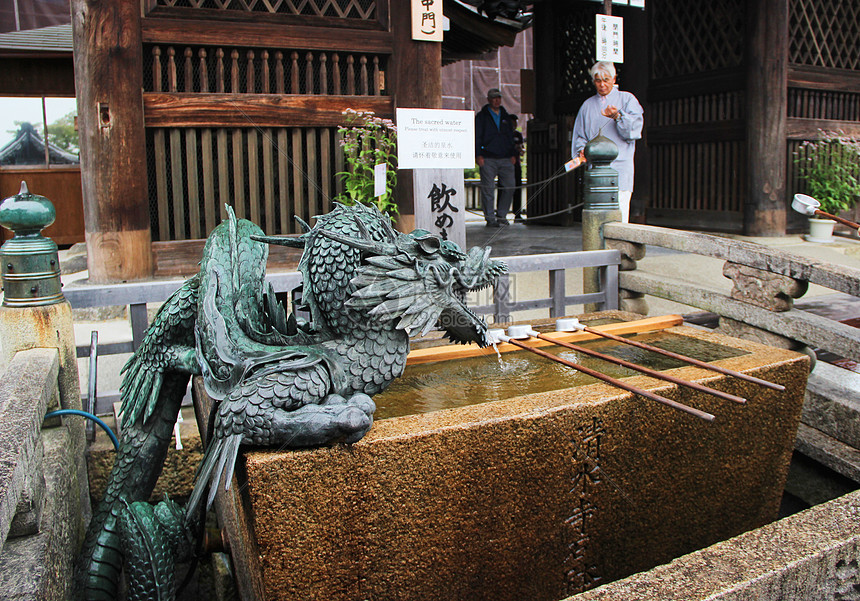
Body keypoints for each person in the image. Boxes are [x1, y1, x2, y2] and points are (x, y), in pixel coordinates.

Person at [571, 61, 644, 223]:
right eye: (598, 80)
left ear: (614, 78)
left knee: (620, 211)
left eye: (606, 79)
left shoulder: (627, 99)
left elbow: (634, 131)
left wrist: (618, 116)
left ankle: (619, 247)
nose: (602, 84)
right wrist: (582, 149)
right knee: (597, 214)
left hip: (620, 166)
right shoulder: (587, 106)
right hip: (596, 170)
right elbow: (579, 136)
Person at [475, 88, 517, 227]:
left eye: (499, 97)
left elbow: (510, 136)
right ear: (488, 99)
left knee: (510, 186)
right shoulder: (481, 117)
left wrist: (513, 154)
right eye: (494, 98)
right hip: (487, 157)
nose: (497, 100)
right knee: (488, 189)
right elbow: (477, 137)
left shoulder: (505, 116)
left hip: (505, 157)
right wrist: (478, 155)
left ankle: (502, 215)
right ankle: (490, 218)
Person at [509, 114, 525, 222]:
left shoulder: (518, 135)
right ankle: (501, 213)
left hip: (517, 163)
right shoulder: (504, 135)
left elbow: (522, 149)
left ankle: (517, 213)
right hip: (506, 164)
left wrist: (520, 150)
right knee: (504, 188)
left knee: (518, 188)